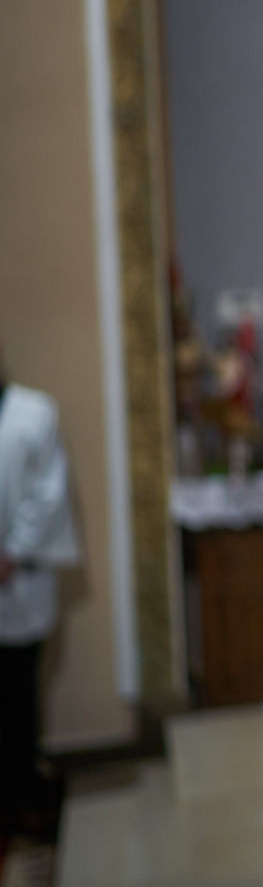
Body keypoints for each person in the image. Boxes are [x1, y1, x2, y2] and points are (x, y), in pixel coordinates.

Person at [0, 345, 80, 838]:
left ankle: (23, 790)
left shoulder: (33, 411)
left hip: (19, 577)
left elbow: (49, 492)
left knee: (18, 690)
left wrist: (12, 553)